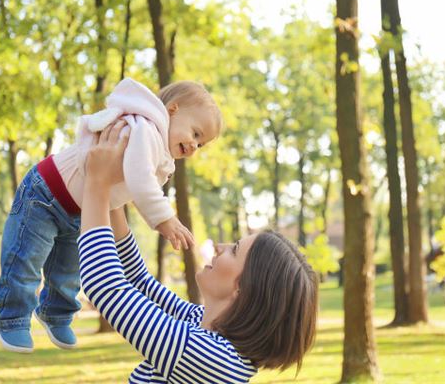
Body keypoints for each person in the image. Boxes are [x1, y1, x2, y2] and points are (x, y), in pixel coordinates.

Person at [0, 78, 222, 353]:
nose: (195, 146)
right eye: (195, 133)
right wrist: (165, 218)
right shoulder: (146, 130)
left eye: (202, 144)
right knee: (26, 258)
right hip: (46, 192)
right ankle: (11, 317)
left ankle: (56, 314)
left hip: (76, 209)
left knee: (68, 269)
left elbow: (126, 192)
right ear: (172, 109)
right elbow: (139, 179)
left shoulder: (161, 154)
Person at [78, 121, 318, 383]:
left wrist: (97, 183)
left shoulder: (211, 358)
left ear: (243, 288)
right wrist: (114, 192)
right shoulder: (204, 326)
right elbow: (137, 280)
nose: (220, 246)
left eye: (235, 250)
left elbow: (106, 287)